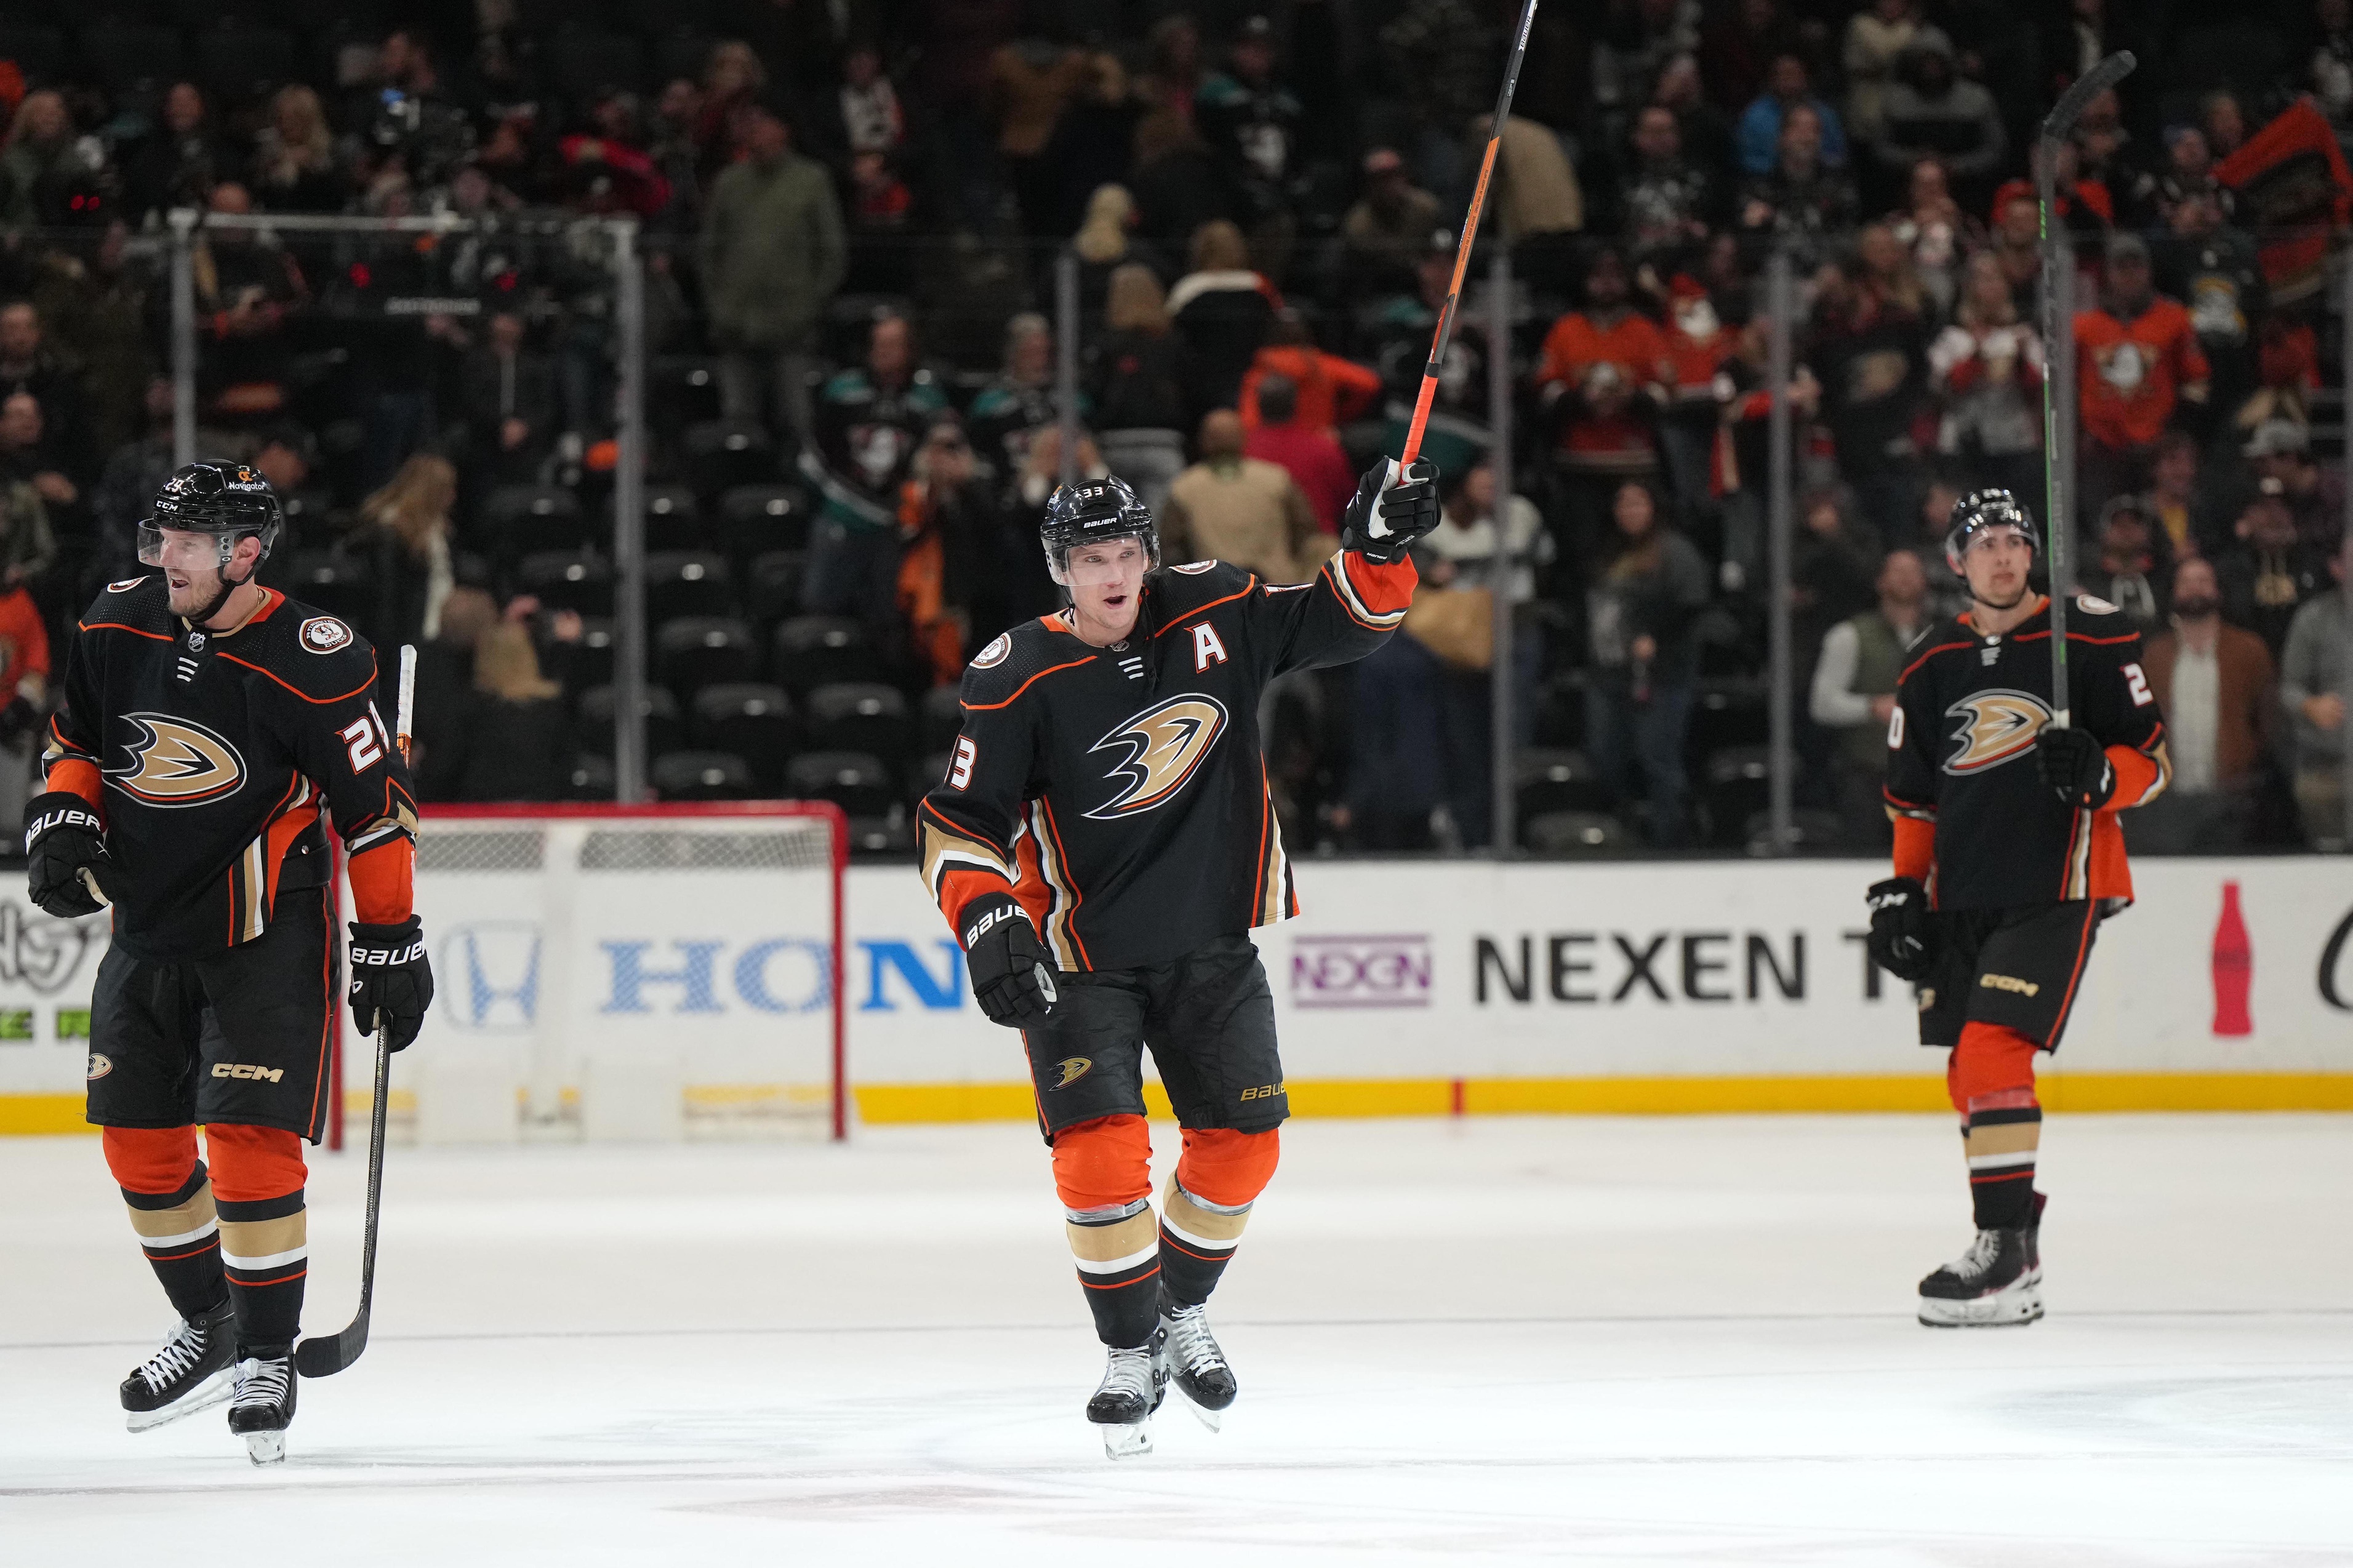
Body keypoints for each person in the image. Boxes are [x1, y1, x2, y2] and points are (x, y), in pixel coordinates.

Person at [915, 460, 1437, 1456]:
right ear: (1059, 571)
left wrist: (1377, 549)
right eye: (1088, 560)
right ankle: (1128, 1351)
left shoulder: (1216, 609)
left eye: (1123, 554)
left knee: (1245, 1147)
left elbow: (1343, 622)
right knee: (1098, 1155)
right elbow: (957, 822)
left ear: (1149, 554)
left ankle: (1175, 1311)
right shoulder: (1014, 672)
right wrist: (986, 921)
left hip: (1207, 941)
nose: (1110, 577)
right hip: (1079, 957)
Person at [25, 461, 432, 1461]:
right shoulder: (116, 620)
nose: (163, 557)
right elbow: (76, 739)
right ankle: (210, 1321)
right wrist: (64, 817)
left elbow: (376, 813)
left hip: (265, 932)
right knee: (138, 1144)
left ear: (245, 554)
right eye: (159, 537)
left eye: (187, 543)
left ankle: (264, 1351)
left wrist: (389, 936)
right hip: (146, 925)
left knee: (248, 1137)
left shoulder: (314, 657)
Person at [1871, 489, 2169, 1328]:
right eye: (1984, 544)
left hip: (2059, 881)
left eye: (2013, 541)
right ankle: (2019, 1247)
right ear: (1955, 562)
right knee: (1965, 1074)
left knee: (1991, 1049)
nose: (2001, 556)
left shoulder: (2090, 636)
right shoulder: (1929, 660)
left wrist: (2102, 774)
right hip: (1962, 891)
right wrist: (1903, 889)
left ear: (2032, 553)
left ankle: (2001, 1252)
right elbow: (1912, 800)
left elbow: (2152, 764)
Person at [699, 95, 846, 454]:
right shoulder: (729, 182)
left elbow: (832, 253)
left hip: (791, 325)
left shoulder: (811, 180)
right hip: (735, 323)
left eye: (762, 122)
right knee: (737, 426)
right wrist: (719, 305)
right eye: (750, 123)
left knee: (798, 422)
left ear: (783, 129)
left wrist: (808, 306)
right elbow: (708, 251)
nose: (754, 131)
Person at [1584, 480, 1710, 846]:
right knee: (1605, 755)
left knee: (1658, 757)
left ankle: (1669, 840)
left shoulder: (1674, 551)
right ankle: (1620, 834)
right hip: (1608, 672)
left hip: (1660, 675)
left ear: (1655, 508)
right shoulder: (1610, 551)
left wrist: (1657, 638)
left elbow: (1692, 603)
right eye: (1623, 504)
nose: (1630, 511)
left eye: (1638, 503)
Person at [2136, 556, 2275, 851]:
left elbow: (2267, 720)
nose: (2195, 589)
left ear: (2218, 591)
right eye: (2186, 582)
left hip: (2235, 802)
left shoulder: (2249, 651)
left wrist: (2247, 765)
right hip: (2170, 803)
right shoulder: (2154, 656)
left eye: (2203, 581)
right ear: (2174, 593)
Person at [2075, 233, 2208, 522]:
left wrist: (2175, 431)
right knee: (2104, 523)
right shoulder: (2084, 326)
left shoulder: (2174, 319)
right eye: (2121, 267)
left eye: (2136, 266)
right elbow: (2068, 387)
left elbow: (2197, 381)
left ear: (2149, 270)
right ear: (2108, 273)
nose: (2129, 275)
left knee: (2156, 524)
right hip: (2102, 450)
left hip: (2156, 450)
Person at [1811, 547, 1930, 845]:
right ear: (1881, 581)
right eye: (1897, 571)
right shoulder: (1850, 636)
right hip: (1866, 777)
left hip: (1925, 778)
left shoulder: (1938, 637)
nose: (1905, 578)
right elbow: (1822, 703)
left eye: (1912, 571)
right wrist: (1872, 707)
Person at [1160, 409, 1325, 585]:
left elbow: (1169, 546)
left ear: (1204, 441)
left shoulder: (1185, 487)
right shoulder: (1277, 479)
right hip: (1276, 587)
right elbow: (1307, 530)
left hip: (1216, 588)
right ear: (1243, 438)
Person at [2279, 539, 2351, 849]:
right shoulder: (2314, 618)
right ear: (2337, 568)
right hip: (2327, 766)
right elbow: (2288, 689)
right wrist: (2310, 705)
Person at [1243, 375, 1355, 534]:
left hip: (1258, 539)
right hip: (1318, 541)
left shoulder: (1243, 450)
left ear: (1258, 406)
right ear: (1295, 405)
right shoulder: (1324, 448)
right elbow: (1349, 502)